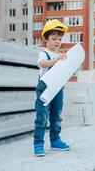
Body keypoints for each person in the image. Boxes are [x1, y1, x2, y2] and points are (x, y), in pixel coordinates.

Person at [33, 19, 70, 157]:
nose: (57, 41)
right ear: (46, 39)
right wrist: (56, 60)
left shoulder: (61, 55)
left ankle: (55, 140)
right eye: (54, 38)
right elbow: (43, 64)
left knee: (56, 116)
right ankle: (38, 143)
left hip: (58, 89)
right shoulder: (45, 53)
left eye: (60, 39)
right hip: (45, 89)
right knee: (42, 116)